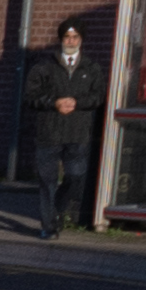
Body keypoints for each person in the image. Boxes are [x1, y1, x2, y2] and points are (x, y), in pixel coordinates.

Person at [20, 21, 98, 235]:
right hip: (49, 132)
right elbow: (30, 96)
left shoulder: (91, 68)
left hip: (77, 132)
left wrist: (77, 103)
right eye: (67, 37)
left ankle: (56, 210)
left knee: (75, 176)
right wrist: (53, 103)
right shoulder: (45, 67)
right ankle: (48, 226)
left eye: (75, 37)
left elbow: (97, 96)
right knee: (47, 180)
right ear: (61, 40)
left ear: (81, 40)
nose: (71, 41)